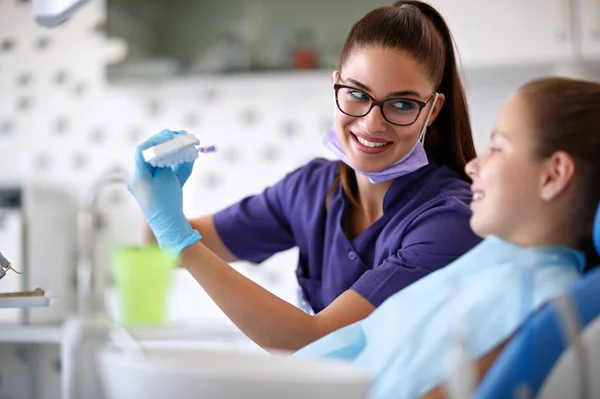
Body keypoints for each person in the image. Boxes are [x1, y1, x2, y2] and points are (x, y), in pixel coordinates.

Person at [128, 1, 481, 351]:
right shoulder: (312, 189)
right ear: (335, 87)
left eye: (402, 104)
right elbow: (161, 247)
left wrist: (181, 243)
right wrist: (157, 197)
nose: (372, 123)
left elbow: (317, 338)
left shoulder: (451, 220)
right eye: (357, 94)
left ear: (432, 110)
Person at [293, 77, 600, 399]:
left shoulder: (540, 302)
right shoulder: (494, 262)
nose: (472, 166)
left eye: (497, 147)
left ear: (553, 175)